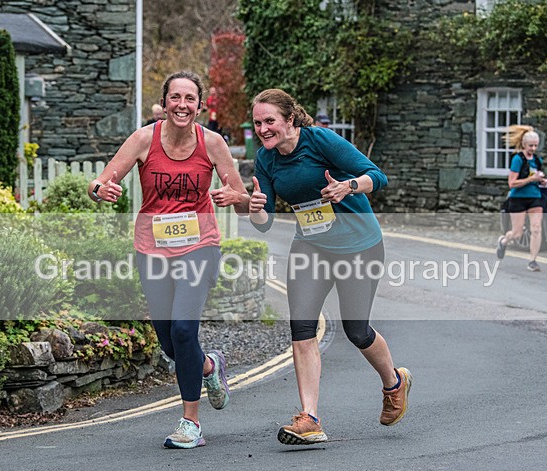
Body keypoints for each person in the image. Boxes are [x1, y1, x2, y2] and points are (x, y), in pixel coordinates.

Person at [87, 71, 250, 449]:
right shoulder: (144, 138)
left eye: (189, 98)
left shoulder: (213, 143)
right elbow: (97, 183)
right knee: (169, 343)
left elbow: (242, 200)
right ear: (164, 104)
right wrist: (101, 191)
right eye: (175, 97)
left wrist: (235, 198)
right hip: (153, 249)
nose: (182, 105)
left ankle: (190, 422)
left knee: (183, 331)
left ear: (199, 105)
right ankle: (209, 365)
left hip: (199, 246)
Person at [247, 88, 412, 446]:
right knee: (302, 328)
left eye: (270, 121)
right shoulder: (266, 158)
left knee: (357, 331)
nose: (263, 129)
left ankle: (394, 383)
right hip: (311, 246)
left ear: (290, 118)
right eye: (258, 123)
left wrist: (348, 186)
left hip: (358, 244)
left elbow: (376, 176)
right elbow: (264, 221)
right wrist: (254, 206)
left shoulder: (319, 140)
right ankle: (310, 418)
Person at [495, 125, 547, 272]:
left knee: (536, 229)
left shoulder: (537, 160)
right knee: (517, 233)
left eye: (536, 145)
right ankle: (504, 241)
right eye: (531, 145)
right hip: (518, 198)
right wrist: (531, 179)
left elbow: (536, 178)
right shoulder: (517, 159)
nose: (533, 148)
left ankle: (533, 261)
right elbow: (512, 183)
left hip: (535, 197)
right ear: (524, 144)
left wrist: (542, 181)